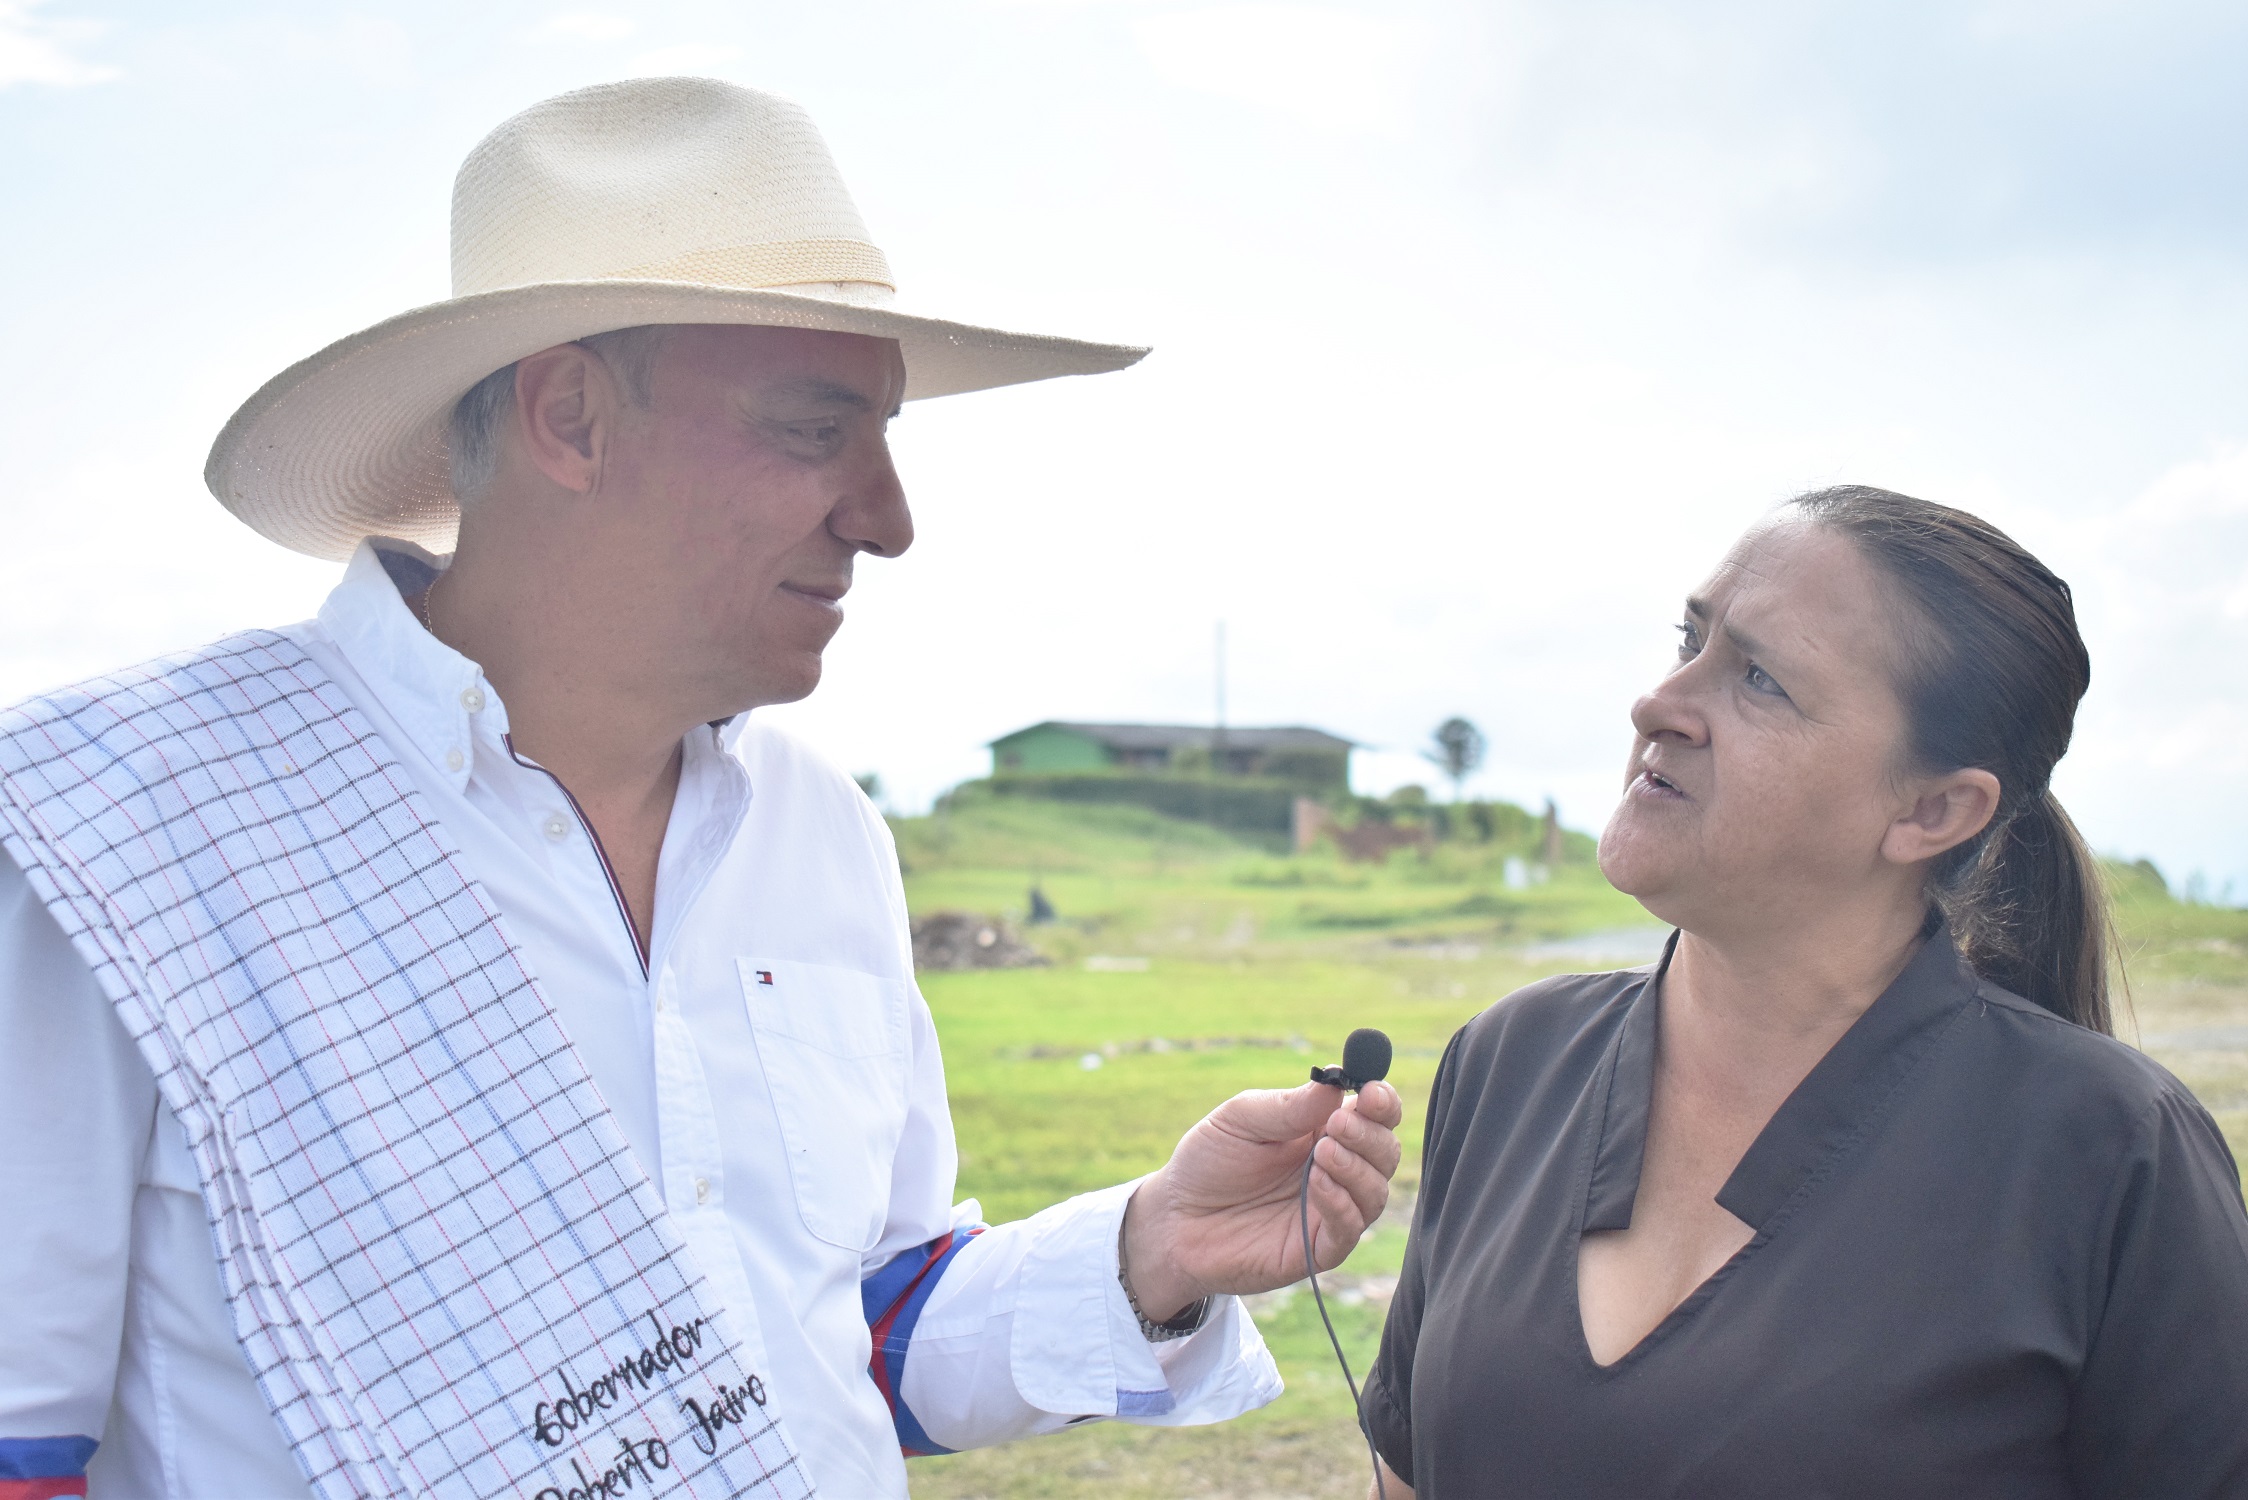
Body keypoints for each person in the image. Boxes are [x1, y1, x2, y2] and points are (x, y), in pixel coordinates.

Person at [0, 79, 1403, 1500]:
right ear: (571, 417)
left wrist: (1150, 1247)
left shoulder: (822, 833)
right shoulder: (116, 844)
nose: (890, 517)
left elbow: (846, 1336)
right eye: (814, 430)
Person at [1362, 486, 2248, 1499]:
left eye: (1758, 679)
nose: (1659, 704)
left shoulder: (2113, 1154)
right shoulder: (1511, 1061)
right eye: (1687, 638)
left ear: (1933, 809)